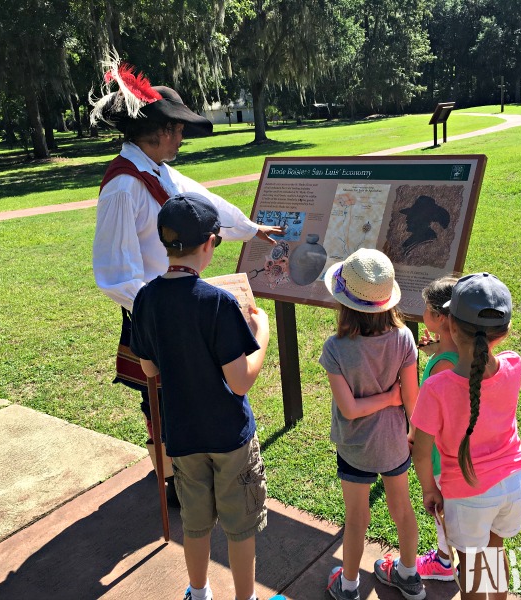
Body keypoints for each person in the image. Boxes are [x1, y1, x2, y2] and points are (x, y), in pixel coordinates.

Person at [90, 55, 282, 504]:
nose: (181, 136)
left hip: (175, 304)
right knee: (156, 397)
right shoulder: (123, 187)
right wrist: (161, 310)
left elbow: (202, 201)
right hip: (153, 311)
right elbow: (115, 274)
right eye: (176, 128)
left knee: (192, 388)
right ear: (157, 131)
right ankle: (174, 480)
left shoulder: (155, 170)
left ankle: (188, 467)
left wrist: (251, 229)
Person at [130, 192, 278, 600]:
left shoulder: (146, 298)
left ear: (166, 242)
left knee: (194, 523)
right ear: (211, 243)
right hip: (229, 435)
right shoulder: (218, 302)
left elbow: (148, 368)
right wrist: (261, 332)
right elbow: (241, 381)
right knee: (240, 524)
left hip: (183, 434)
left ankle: (198, 591)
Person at [410, 273, 521, 600]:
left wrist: (429, 490)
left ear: (451, 326)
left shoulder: (436, 387)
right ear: (502, 334)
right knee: (494, 552)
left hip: (468, 493)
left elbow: (421, 452)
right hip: (514, 485)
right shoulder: (514, 364)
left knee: (472, 565)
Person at [318, 248, 425, 600]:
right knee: (402, 509)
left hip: (354, 449)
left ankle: (348, 586)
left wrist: (382, 401)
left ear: (344, 302)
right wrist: (402, 417)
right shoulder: (405, 338)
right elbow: (412, 399)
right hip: (394, 445)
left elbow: (348, 410)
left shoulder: (335, 348)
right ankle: (409, 576)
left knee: (356, 518)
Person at [412, 276, 460, 581]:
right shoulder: (463, 352)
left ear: (440, 317)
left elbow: (430, 415)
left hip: (445, 457)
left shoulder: (443, 367)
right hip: (497, 480)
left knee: (448, 515)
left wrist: (414, 436)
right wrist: (437, 347)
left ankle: (444, 561)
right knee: (492, 547)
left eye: (427, 309)